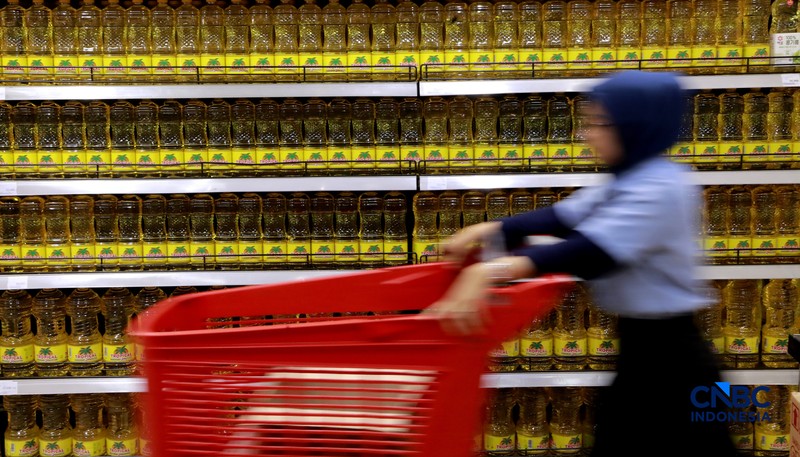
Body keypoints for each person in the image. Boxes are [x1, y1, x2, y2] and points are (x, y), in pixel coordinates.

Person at [425, 71, 738, 457]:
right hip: (643, 351)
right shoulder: (628, 178)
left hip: (676, 364)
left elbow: (590, 252)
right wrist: (488, 229)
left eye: (599, 123)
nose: (586, 135)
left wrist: (488, 271)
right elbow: (561, 217)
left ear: (635, 125)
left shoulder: (660, 187)